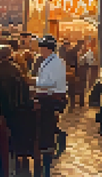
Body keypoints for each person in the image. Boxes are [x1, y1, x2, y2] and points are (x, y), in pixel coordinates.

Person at [0, 45, 30, 174]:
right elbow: (24, 90)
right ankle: (19, 160)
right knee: (15, 137)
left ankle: (2, 164)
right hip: (16, 110)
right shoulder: (16, 69)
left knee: (1, 140)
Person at [31, 35, 67, 177]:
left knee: (47, 127)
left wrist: (33, 82)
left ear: (48, 48)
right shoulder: (48, 61)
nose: (40, 50)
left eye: (42, 47)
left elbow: (50, 82)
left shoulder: (56, 63)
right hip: (46, 96)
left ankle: (52, 145)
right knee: (46, 126)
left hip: (51, 99)